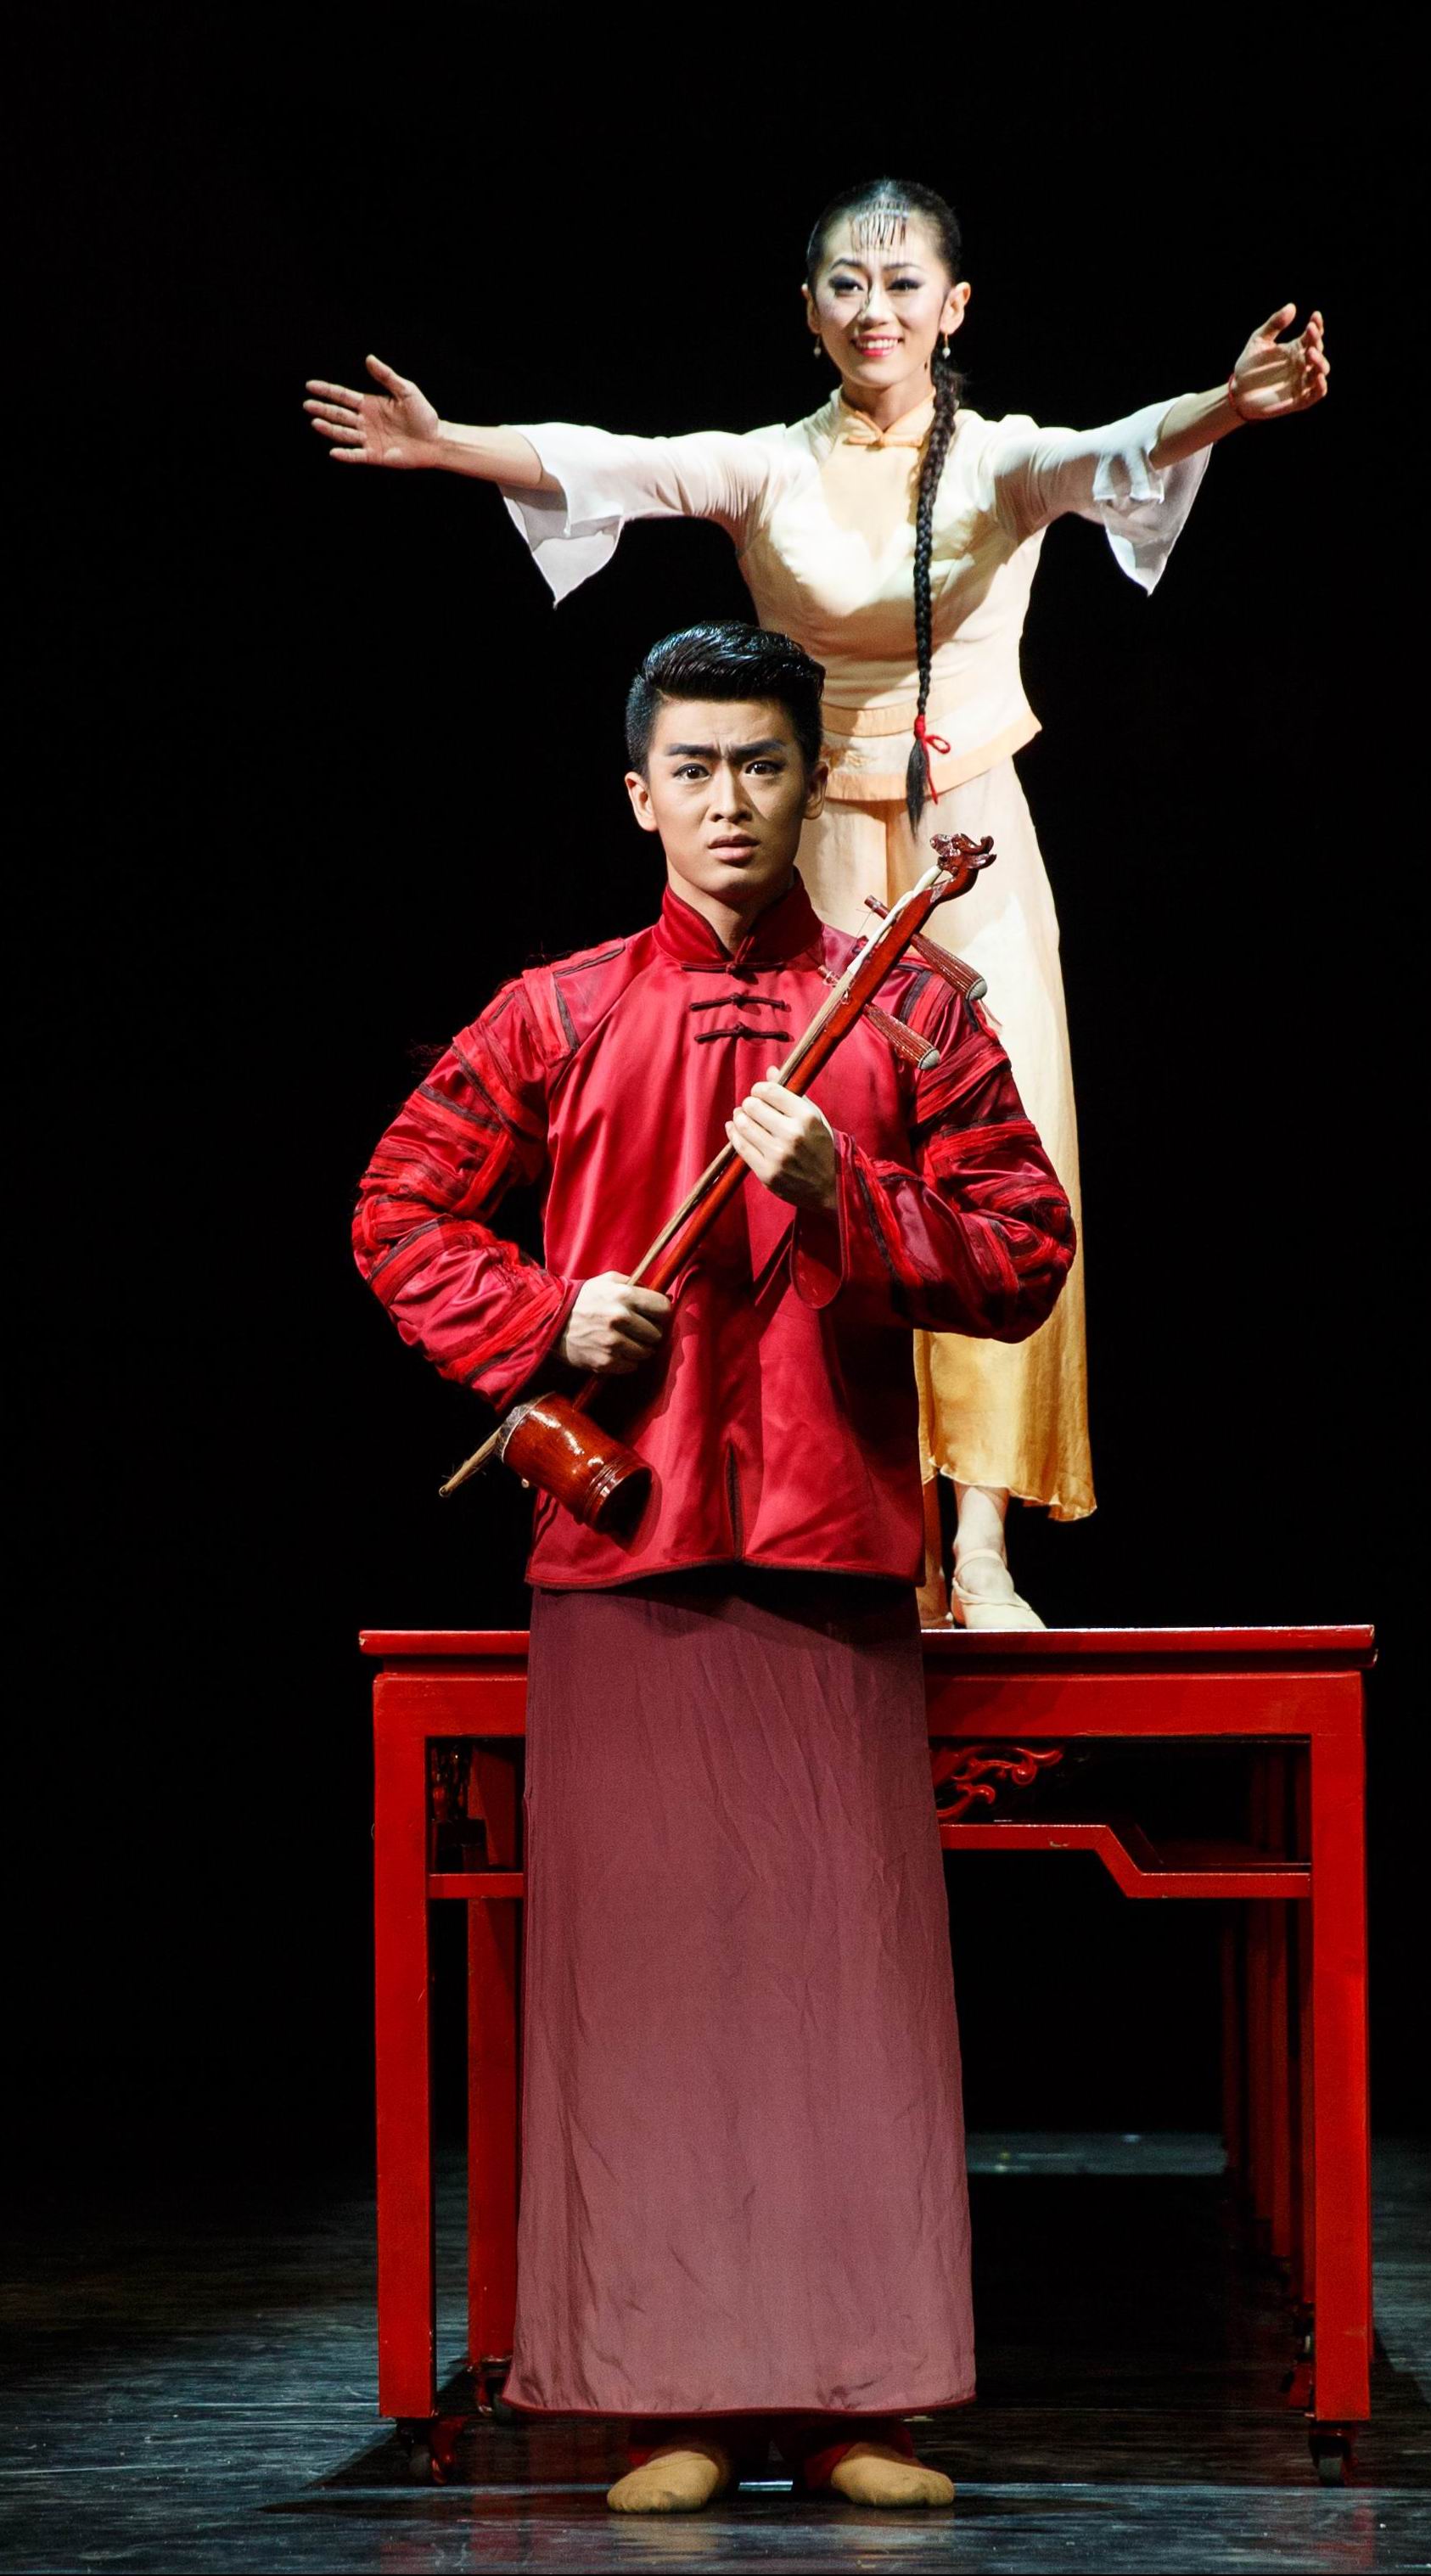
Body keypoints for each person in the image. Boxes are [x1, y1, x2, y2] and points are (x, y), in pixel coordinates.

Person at [314, 177, 1327, 1625]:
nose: (874, 309)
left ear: (953, 306)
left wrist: (1224, 407)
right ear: (807, 311)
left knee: (995, 1158)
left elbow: (1116, 448)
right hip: (804, 833)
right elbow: (616, 464)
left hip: (967, 834)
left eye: (903, 283)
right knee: (818, 1165)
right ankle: (870, 1521)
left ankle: (982, 1541)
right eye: (846, 284)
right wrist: (445, 445)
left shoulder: (1000, 458)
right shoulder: (770, 467)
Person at [353, 621, 1075, 2511]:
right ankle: (662, 2395)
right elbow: (399, 1208)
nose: (729, 802)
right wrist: (544, 1316)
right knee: (650, 1998)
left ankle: (856, 2399)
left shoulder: (906, 1009)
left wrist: (856, 1200)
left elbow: (1025, 1246)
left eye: (760, 764)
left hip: (837, 1557)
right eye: (693, 769)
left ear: (803, 781)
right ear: (638, 795)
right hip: (626, 1545)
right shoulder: (558, 1011)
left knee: (846, 1994)